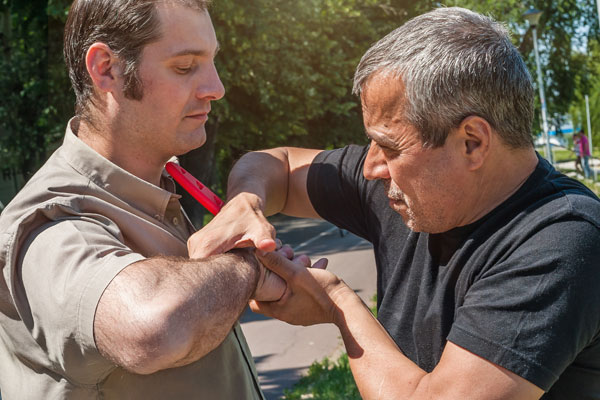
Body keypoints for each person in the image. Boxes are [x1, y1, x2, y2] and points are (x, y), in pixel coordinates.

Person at [196, 7, 600, 399]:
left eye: (389, 146)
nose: (370, 167)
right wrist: (244, 202)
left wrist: (338, 305)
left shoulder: (562, 241)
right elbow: (274, 164)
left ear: (472, 143)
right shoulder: (407, 184)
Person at [0, 0, 289, 398]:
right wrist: (250, 267)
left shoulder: (157, 186)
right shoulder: (55, 223)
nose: (216, 88)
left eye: (211, 62)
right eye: (186, 67)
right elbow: (153, 330)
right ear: (106, 68)